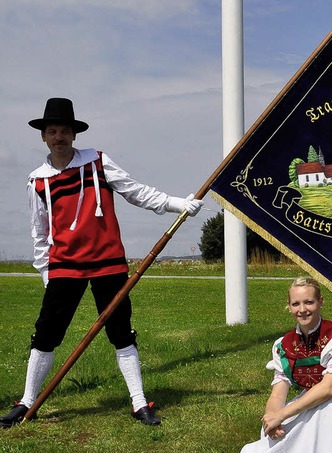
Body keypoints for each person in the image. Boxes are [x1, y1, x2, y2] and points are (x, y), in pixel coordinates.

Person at [0, 98, 203, 428]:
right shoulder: (36, 180)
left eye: (65, 130)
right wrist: (45, 272)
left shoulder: (97, 161)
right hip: (64, 265)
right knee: (46, 335)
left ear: (73, 135)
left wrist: (175, 203)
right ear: (43, 137)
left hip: (108, 262)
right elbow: (40, 229)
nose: (59, 137)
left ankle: (139, 403)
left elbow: (135, 191)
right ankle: (26, 402)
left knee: (121, 333)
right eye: (52, 131)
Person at [241, 276, 332, 453]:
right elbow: (277, 395)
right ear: (289, 306)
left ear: (320, 302)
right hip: (313, 398)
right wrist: (273, 418)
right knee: (277, 431)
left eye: (308, 302)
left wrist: (283, 414)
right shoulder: (282, 345)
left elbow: (329, 388)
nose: (302, 310)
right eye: (295, 304)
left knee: (324, 411)